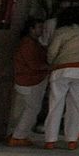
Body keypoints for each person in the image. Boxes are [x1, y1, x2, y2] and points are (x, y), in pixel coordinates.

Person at [43, 7, 79, 149]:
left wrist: (51, 62)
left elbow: (52, 51)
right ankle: (72, 140)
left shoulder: (60, 32)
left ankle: (50, 140)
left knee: (55, 104)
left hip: (61, 70)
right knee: (75, 105)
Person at [7, 18, 51, 146]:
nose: (42, 30)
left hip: (30, 79)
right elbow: (33, 64)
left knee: (30, 109)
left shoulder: (32, 43)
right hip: (30, 80)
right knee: (32, 109)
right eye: (39, 27)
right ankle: (18, 136)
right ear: (31, 29)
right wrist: (49, 66)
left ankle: (19, 134)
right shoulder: (28, 44)